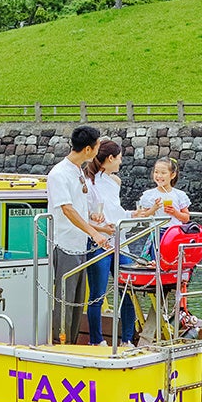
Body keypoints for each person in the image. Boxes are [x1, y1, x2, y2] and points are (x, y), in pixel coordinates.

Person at [46, 125, 110, 344]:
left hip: (79, 244)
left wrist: (100, 227)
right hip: (63, 245)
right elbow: (67, 209)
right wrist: (94, 233)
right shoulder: (59, 174)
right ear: (88, 149)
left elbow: (80, 211)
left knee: (76, 300)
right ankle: (58, 343)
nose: (99, 150)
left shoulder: (78, 171)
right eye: (98, 146)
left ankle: (71, 342)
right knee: (64, 299)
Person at [83, 139, 126, 346]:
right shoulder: (86, 182)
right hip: (98, 242)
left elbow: (116, 212)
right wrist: (99, 228)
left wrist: (139, 213)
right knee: (97, 294)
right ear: (110, 158)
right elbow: (83, 216)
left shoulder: (114, 182)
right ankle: (96, 340)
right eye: (119, 158)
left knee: (128, 289)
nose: (120, 163)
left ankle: (127, 338)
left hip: (120, 240)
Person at [134, 156, 191, 225]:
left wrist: (175, 212)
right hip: (156, 231)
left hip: (174, 232)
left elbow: (186, 218)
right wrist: (154, 208)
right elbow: (143, 217)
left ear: (172, 175)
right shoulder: (149, 195)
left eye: (163, 173)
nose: (159, 176)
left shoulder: (179, 195)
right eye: (156, 172)